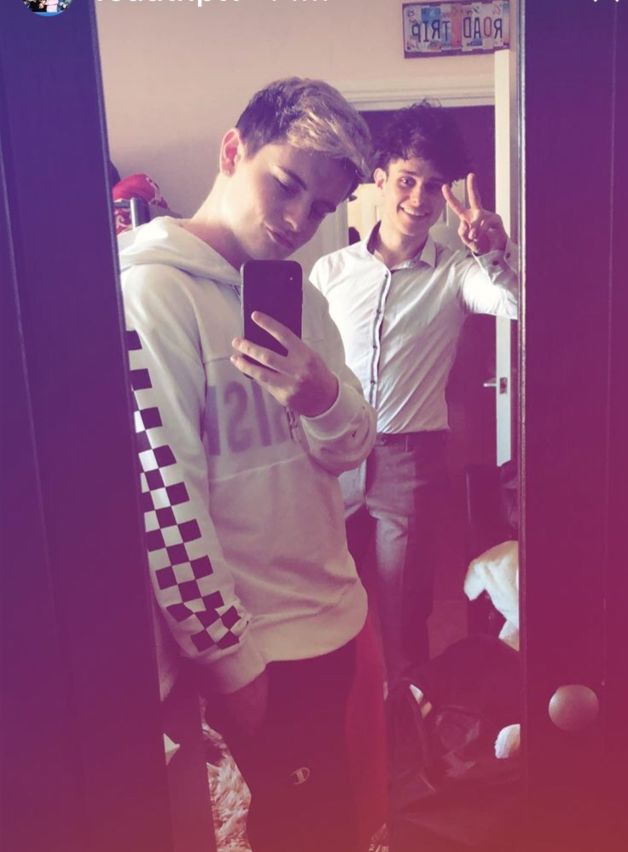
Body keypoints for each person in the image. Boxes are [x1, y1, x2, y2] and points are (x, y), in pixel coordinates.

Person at [118, 78, 377, 852]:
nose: (298, 221)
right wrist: (234, 664)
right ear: (233, 150)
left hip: (333, 616)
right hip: (258, 649)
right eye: (286, 185)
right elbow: (166, 502)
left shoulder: (304, 301)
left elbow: (349, 452)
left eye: (321, 207)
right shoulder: (152, 293)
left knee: (334, 824)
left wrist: (321, 396)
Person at [310, 101, 518, 687]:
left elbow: (519, 302)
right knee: (327, 598)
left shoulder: (459, 271)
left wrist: (494, 251)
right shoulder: (330, 272)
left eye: (433, 185)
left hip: (410, 460)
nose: (419, 198)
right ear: (379, 180)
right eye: (406, 180)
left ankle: (409, 714)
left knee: (404, 608)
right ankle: (343, 709)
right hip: (330, 453)